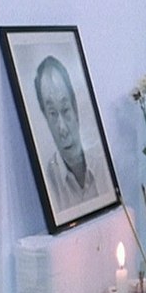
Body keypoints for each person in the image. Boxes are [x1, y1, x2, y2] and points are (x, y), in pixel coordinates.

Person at [35, 55, 110, 212]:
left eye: (65, 110)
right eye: (53, 113)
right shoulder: (49, 181)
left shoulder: (103, 166)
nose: (62, 128)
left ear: (75, 107)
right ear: (45, 117)